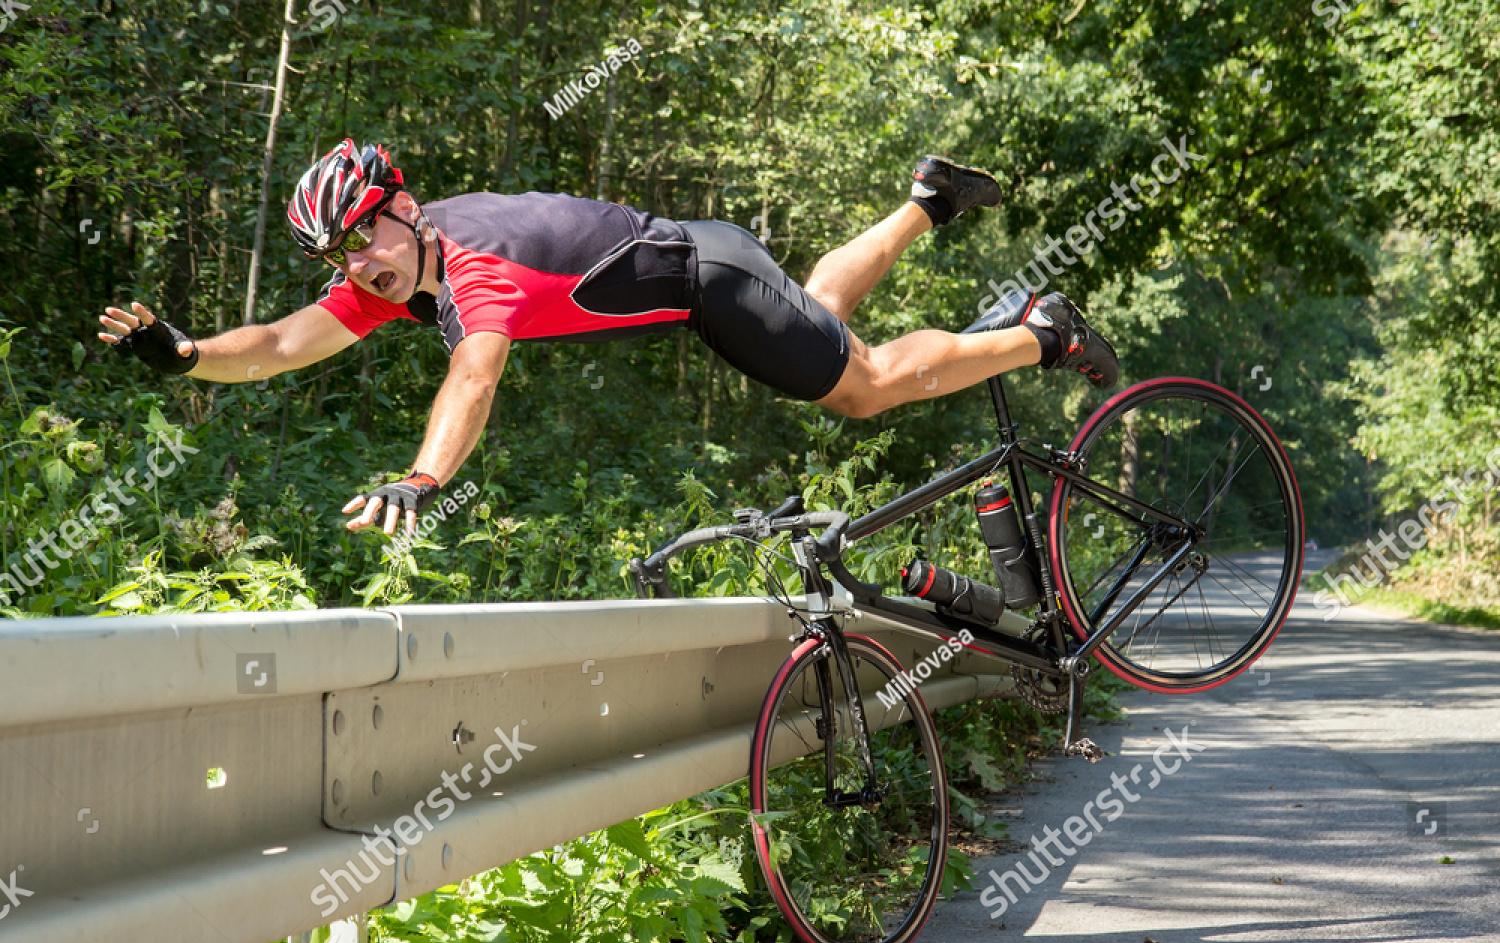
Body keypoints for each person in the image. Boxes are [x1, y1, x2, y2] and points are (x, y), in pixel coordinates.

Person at [99, 140, 1118, 537]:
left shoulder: (469, 263)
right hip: (710, 267)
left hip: (709, 283)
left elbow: (475, 375)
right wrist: (186, 356)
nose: (359, 265)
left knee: (864, 385)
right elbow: (281, 344)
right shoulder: (400, 262)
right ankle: (926, 203)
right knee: (821, 315)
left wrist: (422, 475)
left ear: (402, 204)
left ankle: (1036, 331)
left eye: (365, 233)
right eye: (341, 254)